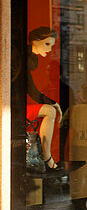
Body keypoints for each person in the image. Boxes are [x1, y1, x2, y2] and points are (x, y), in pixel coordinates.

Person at [24, 27, 64, 175]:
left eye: (52, 45)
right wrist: (54, 103)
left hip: (15, 107)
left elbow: (32, 90)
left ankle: (46, 157)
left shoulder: (27, 59)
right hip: (11, 108)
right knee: (49, 110)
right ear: (35, 41)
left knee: (50, 110)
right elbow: (33, 91)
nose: (50, 49)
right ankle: (47, 158)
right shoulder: (24, 58)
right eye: (47, 44)